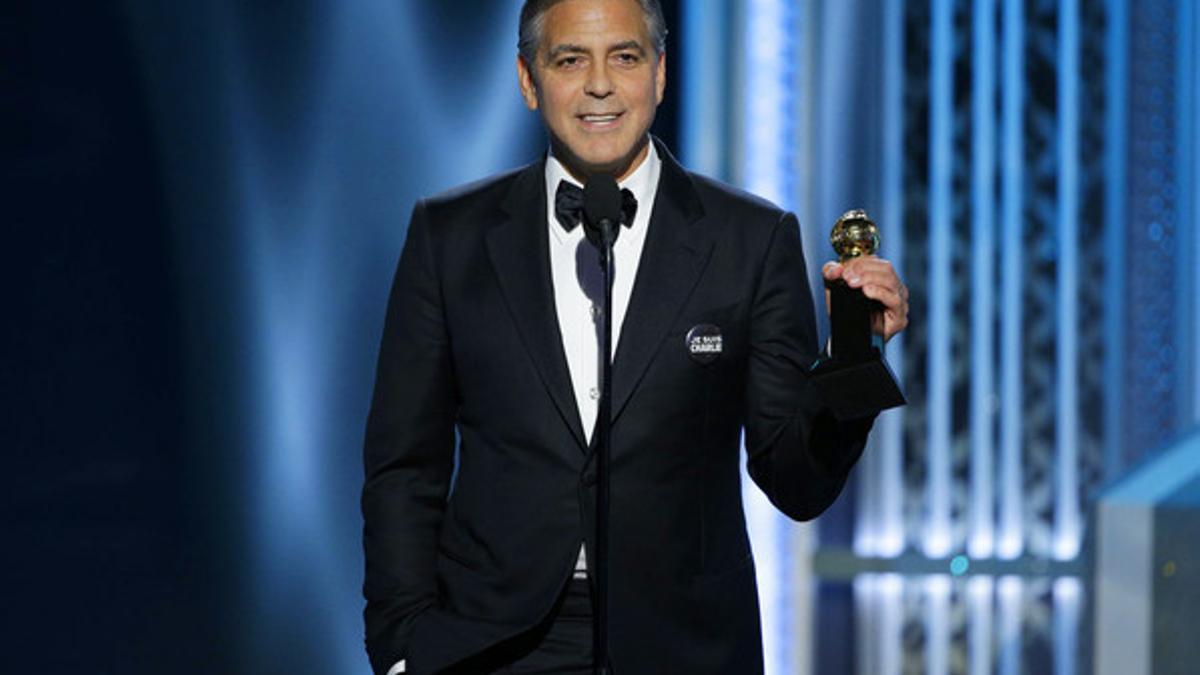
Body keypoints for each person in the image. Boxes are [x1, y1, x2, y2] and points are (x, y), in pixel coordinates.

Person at [361, 1, 909, 673]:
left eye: (624, 57)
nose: (600, 85)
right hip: (490, 644)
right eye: (570, 60)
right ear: (528, 80)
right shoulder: (450, 238)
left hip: (685, 643)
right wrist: (399, 647)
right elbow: (402, 466)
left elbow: (795, 479)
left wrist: (854, 355)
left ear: (660, 73)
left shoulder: (750, 240)